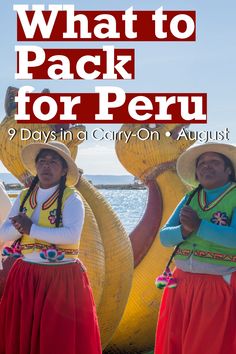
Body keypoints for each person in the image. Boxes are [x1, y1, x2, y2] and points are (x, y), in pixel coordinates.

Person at [0, 141, 102, 354]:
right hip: (26, 276)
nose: (47, 166)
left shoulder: (72, 199)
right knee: (24, 337)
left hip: (61, 279)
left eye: (53, 162)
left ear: (64, 169)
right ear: (36, 166)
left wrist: (30, 228)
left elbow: (71, 234)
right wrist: (21, 229)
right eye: (42, 161)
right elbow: (3, 233)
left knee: (57, 339)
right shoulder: (24, 196)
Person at [154, 143, 236, 354]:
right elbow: (164, 237)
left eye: (215, 162)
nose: (207, 167)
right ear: (197, 174)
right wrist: (184, 231)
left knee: (207, 345)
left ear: (229, 170)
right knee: (177, 342)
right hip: (180, 284)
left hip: (217, 285)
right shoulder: (190, 198)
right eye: (202, 164)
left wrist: (199, 226)